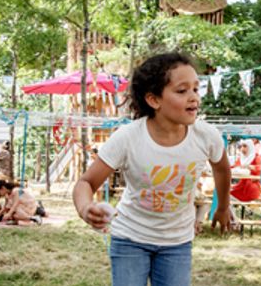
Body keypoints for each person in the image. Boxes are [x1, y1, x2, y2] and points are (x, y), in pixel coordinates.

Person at [73, 52, 232, 286]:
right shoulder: (127, 138)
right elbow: (85, 183)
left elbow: (222, 169)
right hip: (130, 238)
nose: (193, 98)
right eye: (182, 91)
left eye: (196, 89)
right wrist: (85, 208)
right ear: (154, 100)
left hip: (177, 242)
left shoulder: (206, 136)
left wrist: (223, 207)